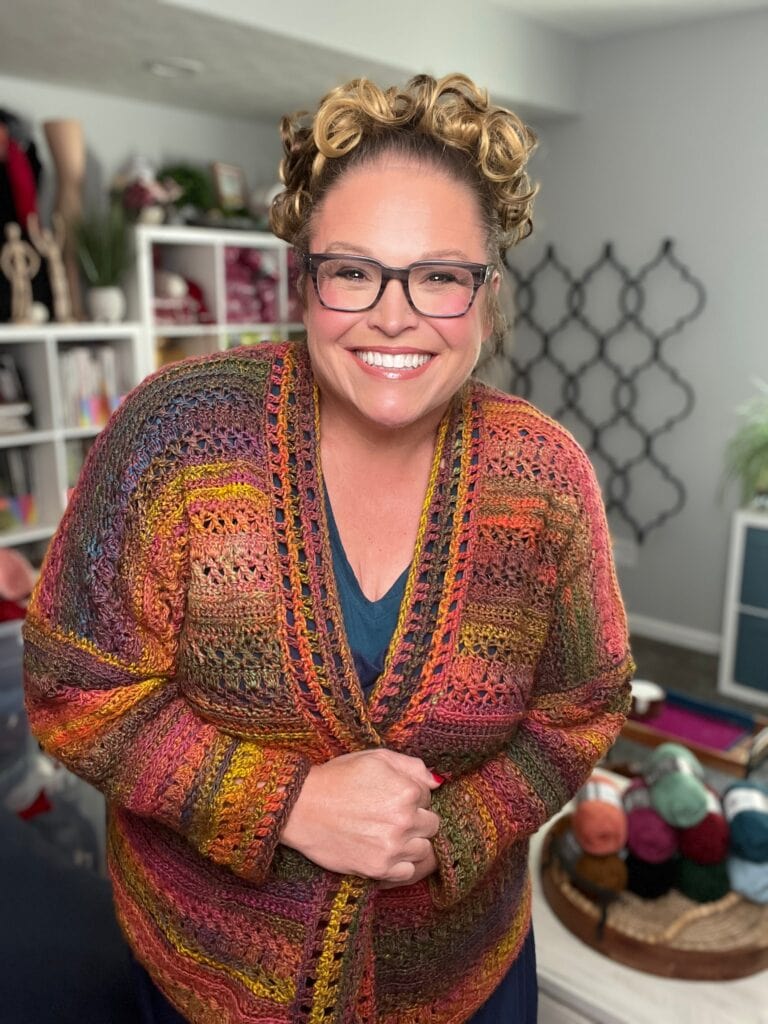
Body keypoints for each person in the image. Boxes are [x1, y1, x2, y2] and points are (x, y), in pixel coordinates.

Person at [23, 73, 634, 1023]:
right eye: (354, 271)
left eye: (439, 275)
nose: (395, 315)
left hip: (461, 980)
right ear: (303, 280)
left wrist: (451, 830)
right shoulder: (177, 435)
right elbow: (75, 684)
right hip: (212, 982)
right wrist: (287, 804)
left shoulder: (545, 478)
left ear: (486, 293)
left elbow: (581, 707)